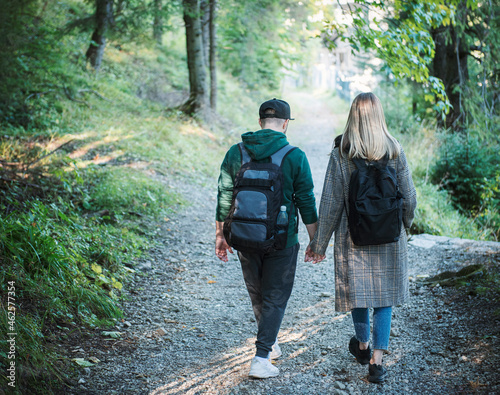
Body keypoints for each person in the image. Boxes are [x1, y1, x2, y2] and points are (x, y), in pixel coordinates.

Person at [305, 92, 417, 383]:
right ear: (379, 116)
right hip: (390, 236)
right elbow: (410, 198)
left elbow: (330, 202)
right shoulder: (394, 150)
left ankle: (363, 345)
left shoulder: (342, 151)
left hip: (352, 236)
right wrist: (404, 225)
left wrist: (319, 245)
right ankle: (377, 364)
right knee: (384, 297)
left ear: (353, 116)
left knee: (359, 291)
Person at [215, 98, 318, 379]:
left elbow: (224, 195)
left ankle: (269, 343)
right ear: (285, 124)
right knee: (275, 296)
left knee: (258, 292)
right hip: (282, 240)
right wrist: (315, 241)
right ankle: (261, 358)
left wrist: (220, 235)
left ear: (260, 122)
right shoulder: (294, 155)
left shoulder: (235, 152)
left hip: (244, 237)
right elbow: (306, 200)